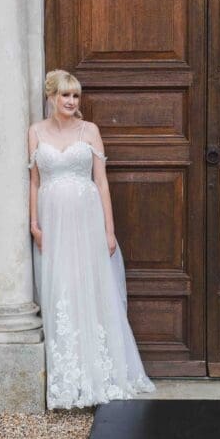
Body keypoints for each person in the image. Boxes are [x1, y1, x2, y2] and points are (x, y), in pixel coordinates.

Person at [28, 69, 155, 409]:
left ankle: (102, 373)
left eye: (75, 96)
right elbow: (35, 182)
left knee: (92, 289)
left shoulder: (91, 131)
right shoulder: (35, 132)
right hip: (53, 222)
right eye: (64, 95)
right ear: (51, 97)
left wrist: (109, 230)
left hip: (87, 221)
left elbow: (101, 182)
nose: (70, 101)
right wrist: (34, 223)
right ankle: (69, 378)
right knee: (62, 291)